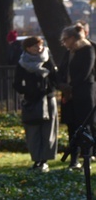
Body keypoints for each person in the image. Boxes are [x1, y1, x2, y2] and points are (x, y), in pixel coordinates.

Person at [13, 36, 58, 172]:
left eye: (40, 45)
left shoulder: (47, 59)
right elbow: (17, 83)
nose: (38, 48)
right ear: (28, 48)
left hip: (48, 99)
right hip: (31, 101)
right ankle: (36, 160)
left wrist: (48, 89)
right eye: (35, 46)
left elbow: (55, 78)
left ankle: (45, 160)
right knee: (33, 132)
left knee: (48, 131)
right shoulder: (22, 63)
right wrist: (29, 91)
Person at [57, 23, 96, 170]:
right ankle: (74, 159)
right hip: (69, 95)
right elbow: (62, 70)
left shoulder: (87, 50)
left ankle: (86, 156)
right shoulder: (69, 52)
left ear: (73, 38)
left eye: (65, 39)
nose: (64, 42)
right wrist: (61, 84)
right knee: (71, 127)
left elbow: (85, 74)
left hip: (83, 94)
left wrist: (71, 86)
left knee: (84, 127)